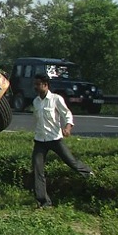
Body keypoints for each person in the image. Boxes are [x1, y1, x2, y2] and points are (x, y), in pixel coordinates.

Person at [31, 74, 94, 208]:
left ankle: (89, 174)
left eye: (38, 84)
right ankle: (44, 202)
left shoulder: (56, 99)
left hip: (54, 138)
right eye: (35, 84)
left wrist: (67, 127)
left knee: (71, 161)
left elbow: (67, 114)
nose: (35, 87)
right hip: (40, 141)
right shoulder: (36, 101)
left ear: (45, 84)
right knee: (37, 169)